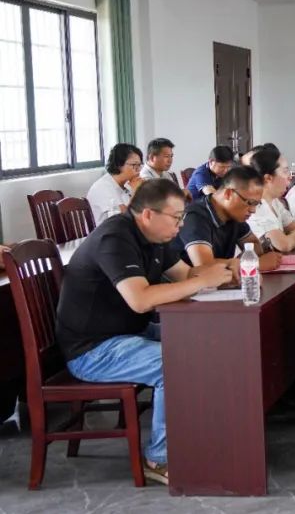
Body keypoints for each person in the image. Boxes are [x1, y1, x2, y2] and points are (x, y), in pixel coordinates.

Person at [56, 179, 234, 485]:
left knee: (208, 342)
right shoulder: (115, 237)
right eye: (176, 217)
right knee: (174, 363)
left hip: (129, 334)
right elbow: (140, 300)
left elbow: (186, 275)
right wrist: (202, 281)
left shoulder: (155, 236)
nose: (181, 225)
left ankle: (204, 436)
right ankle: (159, 458)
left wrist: (231, 271)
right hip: (93, 350)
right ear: (149, 214)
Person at [170, 165, 281, 274]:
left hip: (220, 283)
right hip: (186, 283)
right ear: (228, 194)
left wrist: (236, 263)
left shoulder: (234, 214)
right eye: (250, 203)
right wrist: (253, 264)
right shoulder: (195, 217)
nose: (253, 210)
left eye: (256, 204)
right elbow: (204, 266)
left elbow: (254, 246)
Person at [247, 147, 295, 253]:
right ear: (268, 178)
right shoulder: (256, 207)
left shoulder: (275, 202)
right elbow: (284, 245)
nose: (289, 176)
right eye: (285, 171)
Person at [87, 143, 144, 224]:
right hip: (107, 230)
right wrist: (136, 193)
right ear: (119, 165)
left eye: (140, 165)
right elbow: (123, 220)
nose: (139, 170)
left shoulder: (127, 185)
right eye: (134, 165)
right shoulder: (102, 187)